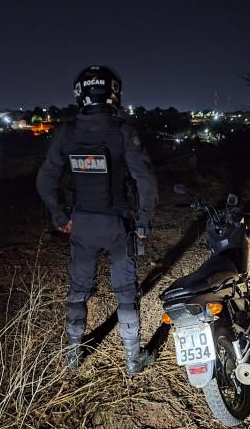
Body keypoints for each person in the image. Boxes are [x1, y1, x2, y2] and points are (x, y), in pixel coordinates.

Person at [36, 65, 158, 376]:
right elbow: (145, 181)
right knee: (126, 292)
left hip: (82, 226)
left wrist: (60, 215)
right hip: (117, 227)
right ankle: (132, 360)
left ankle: (73, 355)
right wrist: (143, 222)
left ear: (80, 93)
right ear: (113, 92)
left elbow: (46, 179)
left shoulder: (67, 131)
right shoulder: (122, 131)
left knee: (78, 289)